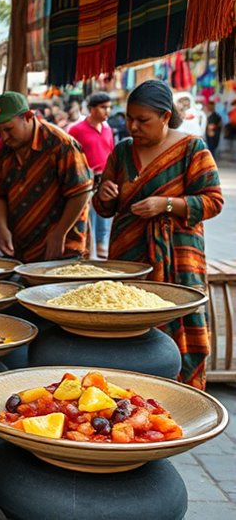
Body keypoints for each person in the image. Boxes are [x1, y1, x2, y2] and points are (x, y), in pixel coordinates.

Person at [93, 80, 223, 390]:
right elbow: (103, 208)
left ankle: (182, 391)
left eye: (143, 120)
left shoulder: (192, 148)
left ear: (166, 117)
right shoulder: (123, 151)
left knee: (182, 319)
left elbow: (213, 201)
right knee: (129, 323)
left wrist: (166, 204)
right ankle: (130, 391)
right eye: (129, 118)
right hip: (129, 257)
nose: (133, 126)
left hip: (178, 255)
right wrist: (106, 194)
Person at [0, 91, 94, 262]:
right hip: (24, 248)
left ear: (28, 117)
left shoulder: (60, 144)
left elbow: (81, 191)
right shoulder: (4, 152)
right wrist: (2, 229)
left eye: (8, 129)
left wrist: (60, 231)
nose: (4, 137)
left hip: (64, 246)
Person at [68, 92, 116, 259]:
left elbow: (111, 154)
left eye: (109, 107)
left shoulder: (108, 130)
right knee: (86, 220)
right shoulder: (76, 129)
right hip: (84, 182)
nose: (107, 111)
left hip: (104, 180)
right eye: (103, 107)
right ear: (92, 109)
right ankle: (87, 255)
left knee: (104, 218)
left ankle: (102, 256)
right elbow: (70, 155)